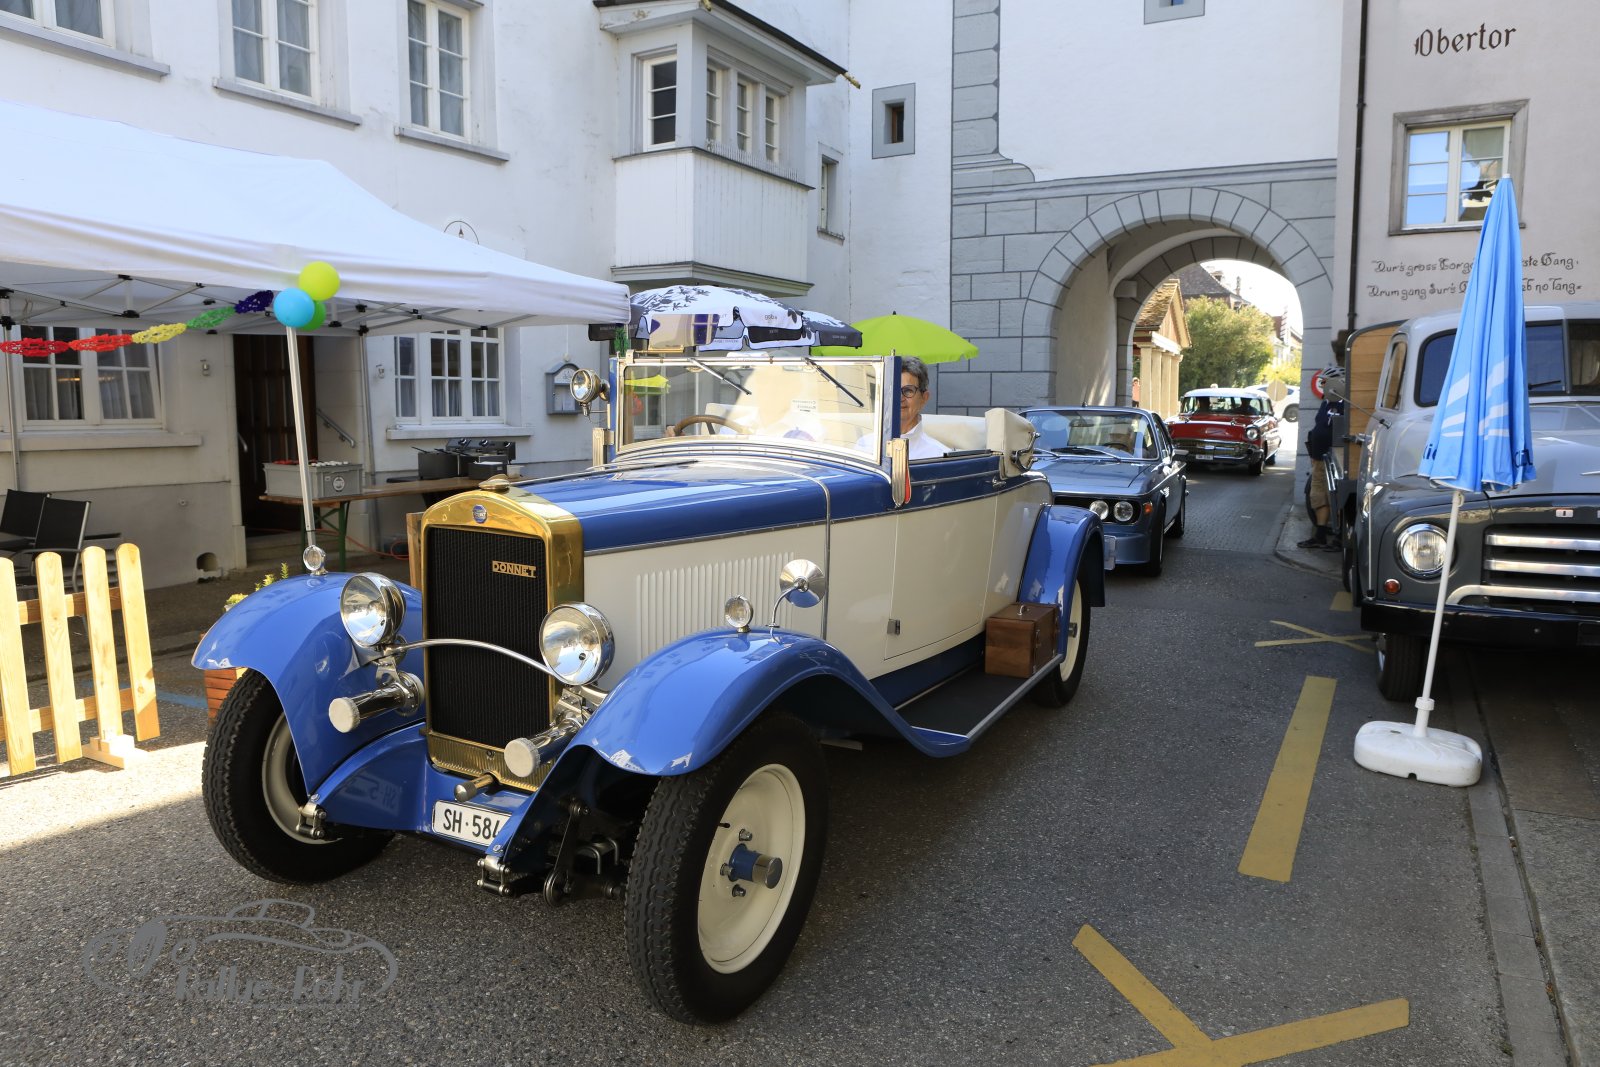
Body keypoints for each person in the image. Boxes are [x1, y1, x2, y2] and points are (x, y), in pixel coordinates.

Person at [1297, 391, 1344, 551]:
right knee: (1318, 496)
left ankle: (1340, 538)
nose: (1325, 388)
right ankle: (1320, 535)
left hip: (1337, 458)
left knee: (1336, 497)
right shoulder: (1326, 402)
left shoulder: (1346, 404)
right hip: (1319, 459)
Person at [896, 356, 946, 459]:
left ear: (924, 398)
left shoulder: (939, 456)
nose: (900, 398)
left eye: (908, 390)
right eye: (894, 390)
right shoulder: (864, 447)